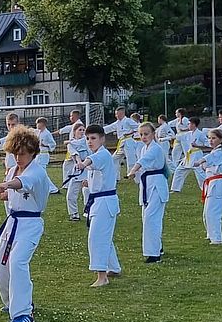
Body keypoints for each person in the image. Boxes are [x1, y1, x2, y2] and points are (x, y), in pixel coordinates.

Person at [0, 125, 50, 322]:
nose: (18, 158)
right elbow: (14, 192)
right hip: (12, 222)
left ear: (33, 152)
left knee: (17, 262)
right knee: (2, 265)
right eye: (15, 153)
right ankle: (11, 302)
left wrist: (6, 185)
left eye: (22, 154)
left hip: (30, 224)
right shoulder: (13, 169)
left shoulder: (37, 171)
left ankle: (23, 312)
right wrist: (5, 194)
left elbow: (23, 183)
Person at [76, 125, 121, 287]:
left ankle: (102, 276)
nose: (90, 141)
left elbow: (91, 161)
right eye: (87, 138)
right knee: (104, 235)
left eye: (93, 138)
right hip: (99, 201)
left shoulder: (102, 154)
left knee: (96, 237)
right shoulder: (97, 155)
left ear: (102, 139)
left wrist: (82, 163)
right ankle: (113, 268)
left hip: (104, 202)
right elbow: (101, 175)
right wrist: (89, 182)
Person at [127, 123, 169, 263]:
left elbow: (143, 161)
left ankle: (154, 254)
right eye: (141, 134)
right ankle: (158, 247)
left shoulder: (156, 148)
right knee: (147, 217)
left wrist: (133, 170)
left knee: (151, 218)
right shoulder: (143, 148)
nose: (143, 137)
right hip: (147, 184)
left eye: (146, 134)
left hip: (157, 184)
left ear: (153, 134)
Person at [195, 129, 222, 245]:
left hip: (218, 183)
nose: (211, 140)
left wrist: (200, 161)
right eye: (209, 138)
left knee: (213, 212)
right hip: (212, 183)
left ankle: (217, 238)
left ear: (221, 139)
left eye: (214, 138)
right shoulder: (215, 151)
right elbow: (207, 164)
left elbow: (209, 158)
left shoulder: (220, 152)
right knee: (207, 212)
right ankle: (210, 234)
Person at [170, 117, 207, 192]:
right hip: (188, 156)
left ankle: (206, 188)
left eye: (189, 124)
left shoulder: (200, 134)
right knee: (179, 171)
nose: (188, 125)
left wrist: (198, 146)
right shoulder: (187, 134)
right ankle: (175, 189)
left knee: (200, 174)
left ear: (193, 124)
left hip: (197, 156)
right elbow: (177, 137)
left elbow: (208, 144)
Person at [103, 106, 139, 179]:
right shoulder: (117, 123)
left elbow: (138, 127)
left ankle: (133, 176)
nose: (116, 116)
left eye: (117, 114)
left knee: (131, 159)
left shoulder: (128, 121)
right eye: (115, 114)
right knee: (114, 159)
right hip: (121, 142)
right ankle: (116, 177)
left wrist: (131, 132)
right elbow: (109, 128)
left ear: (122, 113)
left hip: (128, 142)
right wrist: (98, 130)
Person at [64, 123, 89, 221]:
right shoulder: (71, 144)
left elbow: (80, 144)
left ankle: (88, 211)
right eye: (80, 130)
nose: (82, 132)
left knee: (86, 190)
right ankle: (74, 214)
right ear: (74, 132)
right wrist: (79, 162)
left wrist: (69, 142)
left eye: (83, 130)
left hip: (88, 168)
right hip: (77, 170)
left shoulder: (86, 141)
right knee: (70, 195)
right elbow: (74, 153)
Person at [53, 109, 84, 188]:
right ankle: (72, 182)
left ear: (75, 116)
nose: (70, 118)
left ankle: (67, 184)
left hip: (76, 148)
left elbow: (79, 138)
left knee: (67, 165)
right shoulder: (75, 125)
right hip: (73, 148)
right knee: (71, 165)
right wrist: (53, 133)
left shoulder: (78, 125)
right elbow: (64, 129)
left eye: (71, 116)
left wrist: (70, 142)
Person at [34, 117, 59, 194]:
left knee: (42, 172)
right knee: (37, 172)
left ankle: (52, 188)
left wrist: (45, 145)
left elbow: (53, 144)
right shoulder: (38, 132)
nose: (37, 125)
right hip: (38, 155)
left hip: (44, 155)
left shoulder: (47, 134)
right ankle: (42, 187)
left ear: (43, 124)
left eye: (38, 124)